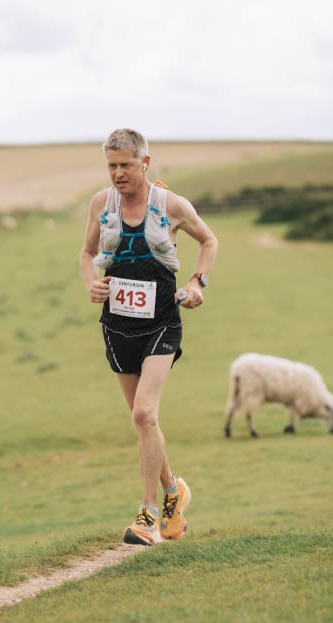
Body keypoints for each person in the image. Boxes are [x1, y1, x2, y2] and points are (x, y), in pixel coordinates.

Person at [79, 128, 218, 545]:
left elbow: (208, 240)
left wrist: (196, 282)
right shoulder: (101, 204)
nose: (118, 173)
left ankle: (148, 515)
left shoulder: (171, 205)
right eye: (111, 166)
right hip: (117, 325)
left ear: (145, 162)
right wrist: (91, 283)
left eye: (125, 164)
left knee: (144, 414)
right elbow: (87, 253)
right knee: (144, 422)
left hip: (161, 322)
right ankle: (174, 491)